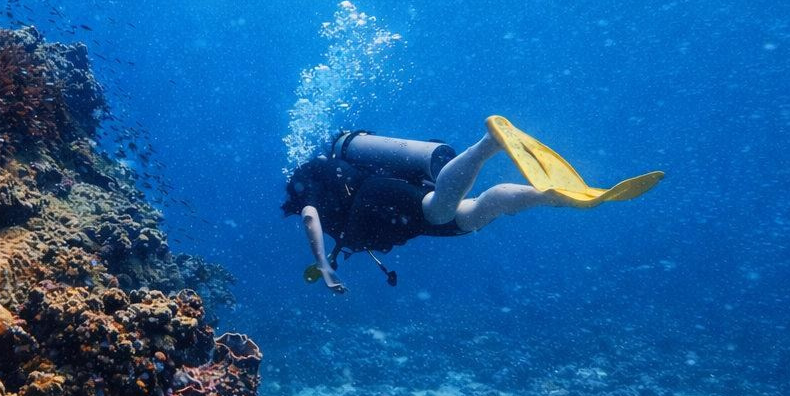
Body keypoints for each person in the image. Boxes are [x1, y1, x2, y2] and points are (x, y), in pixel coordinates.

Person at [283, 115, 663, 293]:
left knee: (438, 210)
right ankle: (552, 197)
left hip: (377, 200)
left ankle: (488, 144)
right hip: (385, 203)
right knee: (473, 215)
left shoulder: (310, 174)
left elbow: (311, 216)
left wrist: (322, 265)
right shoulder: (335, 168)